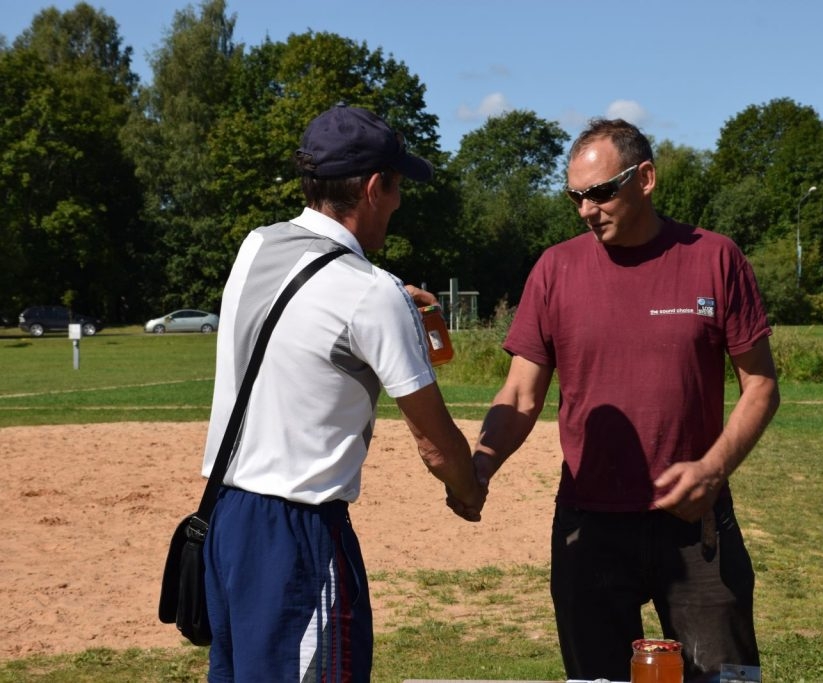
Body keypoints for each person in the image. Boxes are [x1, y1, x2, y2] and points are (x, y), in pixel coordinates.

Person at [469, 118, 780, 682]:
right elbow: (519, 392)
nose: (587, 209)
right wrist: (480, 465)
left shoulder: (715, 258)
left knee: (726, 678)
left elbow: (760, 384)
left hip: (696, 526)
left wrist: (715, 468)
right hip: (589, 528)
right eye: (576, 197)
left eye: (601, 192)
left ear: (646, 179)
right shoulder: (555, 270)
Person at [200, 103, 486, 683]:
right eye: (399, 186)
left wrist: (392, 304)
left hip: (227, 519)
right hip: (300, 537)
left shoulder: (257, 245)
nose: (401, 202)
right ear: (375, 186)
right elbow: (434, 444)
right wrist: (470, 489)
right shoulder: (370, 294)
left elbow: (310, 313)